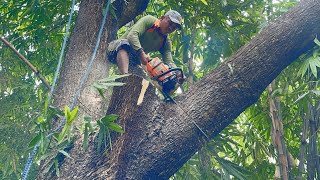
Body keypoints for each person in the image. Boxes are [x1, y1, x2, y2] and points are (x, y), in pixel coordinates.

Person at [107, 10, 183, 75]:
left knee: (144, 78)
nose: (170, 28)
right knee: (124, 44)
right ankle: (125, 77)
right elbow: (132, 36)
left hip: (133, 61)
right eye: (170, 23)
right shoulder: (150, 20)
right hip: (114, 50)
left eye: (174, 27)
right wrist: (141, 53)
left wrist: (177, 72)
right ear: (162, 18)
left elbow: (169, 61)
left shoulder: (165, 42)